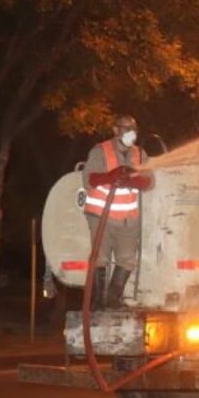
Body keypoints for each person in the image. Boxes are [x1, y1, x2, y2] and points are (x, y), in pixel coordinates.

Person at [82, 115, 150, 309]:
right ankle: (97, 302)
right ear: (115, 130)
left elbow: (149, 181)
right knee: (100, 258)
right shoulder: (100, 151)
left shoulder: (139, 154)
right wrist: (109, 177)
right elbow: (88, 179)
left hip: (128, 219)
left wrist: (132, 181)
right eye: (126, 128)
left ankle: (113, 299)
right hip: (100, 215)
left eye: (134, 129)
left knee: (127, 259)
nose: (131, 132)